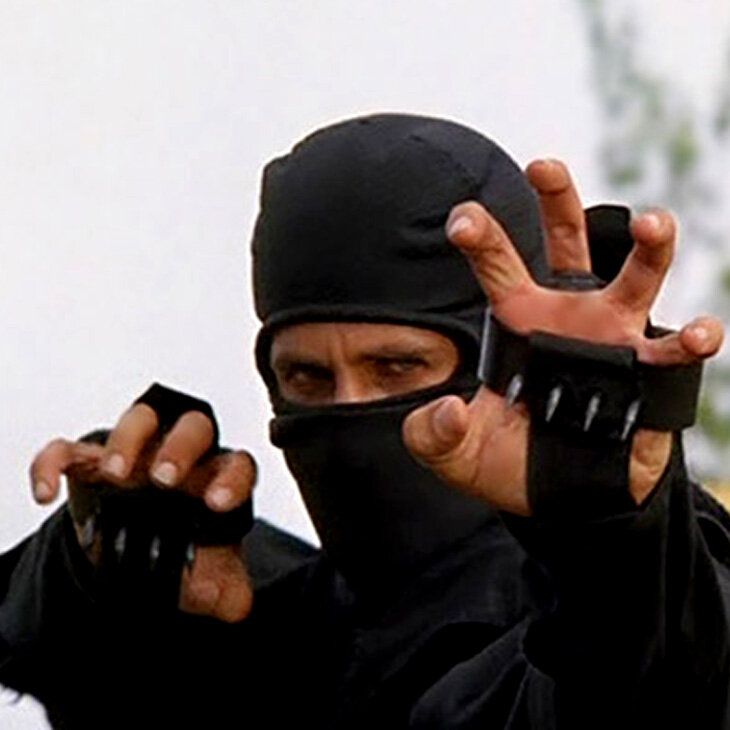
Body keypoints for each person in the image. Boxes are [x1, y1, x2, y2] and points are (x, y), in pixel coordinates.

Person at [1, 113, 729, 729]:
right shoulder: (280, 632)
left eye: (398, 367)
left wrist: (611, 537)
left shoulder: (628, 599)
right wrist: (97, 574)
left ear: (502, 369)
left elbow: (646, 681)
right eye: (307, 378)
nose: (349, 409)